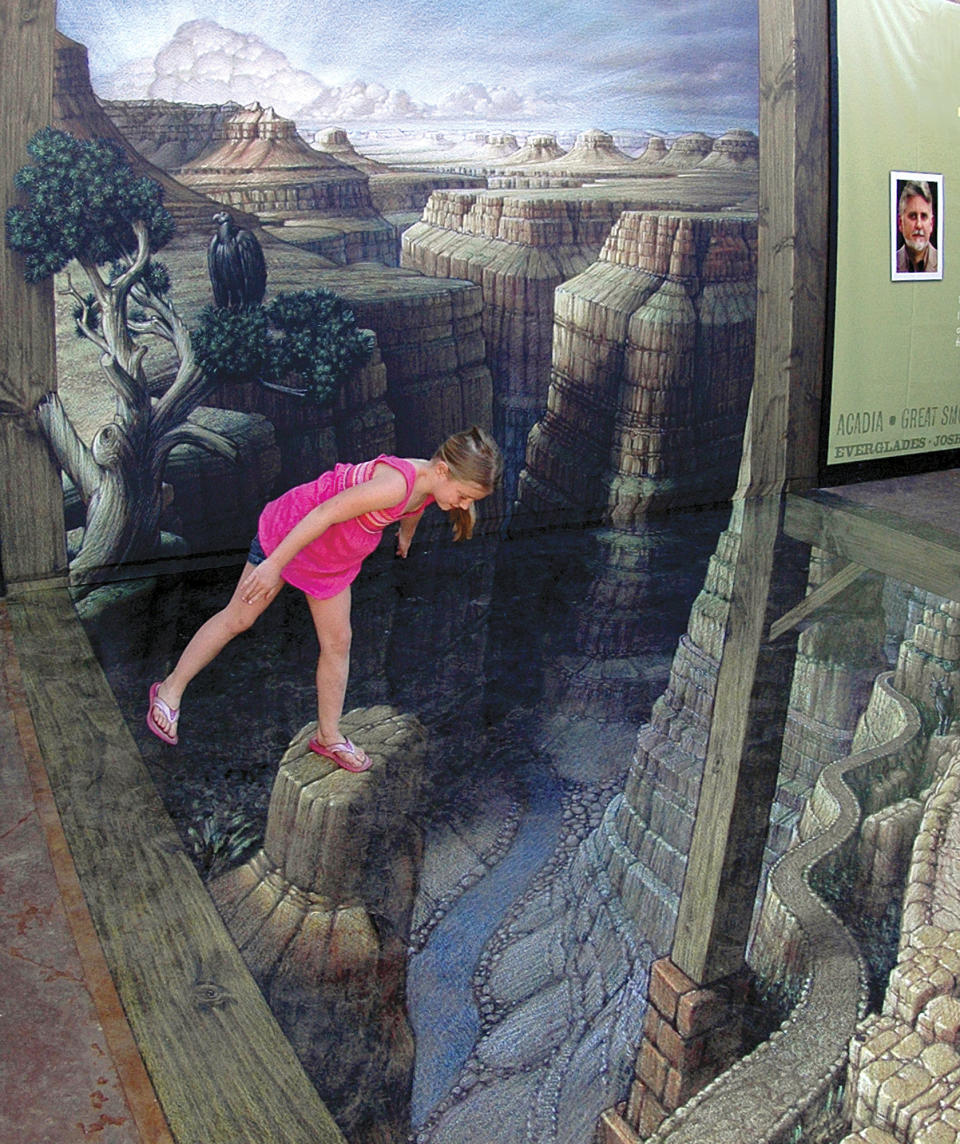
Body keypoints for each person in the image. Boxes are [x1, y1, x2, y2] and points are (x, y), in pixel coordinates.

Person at [146, 426, 502, 771]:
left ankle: (327, 736)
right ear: (442, 470)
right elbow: (324, 512)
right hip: (290, 536)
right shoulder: (395, 484)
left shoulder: (427, 486)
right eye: (465, 495)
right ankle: (169, 689)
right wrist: (273, 566)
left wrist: (405, 537)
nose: (464, 504)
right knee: (239, 618)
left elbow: (416, 509)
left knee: (338, 642)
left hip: (330, 559)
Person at [896, 180, 938, 273]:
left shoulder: (944, 263)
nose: (919, 225)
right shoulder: (890, 263)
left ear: (931, 224)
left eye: (923, 216)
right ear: (900, 223)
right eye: (913, 216)